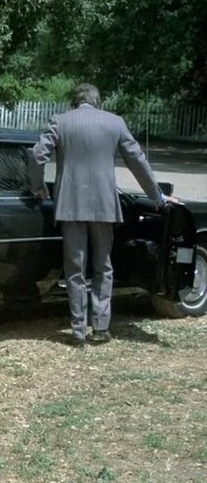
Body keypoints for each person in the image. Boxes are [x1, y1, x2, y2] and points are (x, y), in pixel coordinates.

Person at [29, 83, 173, 347]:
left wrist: (38, 187)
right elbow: (137, 159)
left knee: (74, 268)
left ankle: (77, 330)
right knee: (103, 267)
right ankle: (101, 327)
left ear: (75, 101)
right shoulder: (115, 123)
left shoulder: (60, 122)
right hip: (104, 206)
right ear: (98, 101)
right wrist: (156, 196)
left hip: (70, 206)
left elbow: (37, 155)